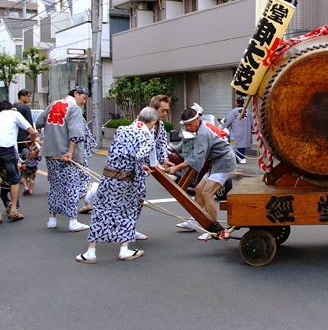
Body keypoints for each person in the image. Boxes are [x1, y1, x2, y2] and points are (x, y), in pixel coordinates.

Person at [75, 107, 158, 263]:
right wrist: (143, 172)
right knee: (127, 212)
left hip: (107, 177)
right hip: (126, 181)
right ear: (153, 122)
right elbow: (139, 157)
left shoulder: (121, 129)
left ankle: (90, 252)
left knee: (100, 211)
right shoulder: (146, 137)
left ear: (138, 117)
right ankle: (124, 249)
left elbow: (118, 152)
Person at [168, 107, 236, 240]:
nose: (189, 127)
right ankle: (195, 221)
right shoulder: (201, 128)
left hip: (224, 162)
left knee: (207, 193)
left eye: (190, 124)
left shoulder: (202, 133)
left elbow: (196, 159)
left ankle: (213, 228)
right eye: (186, 125)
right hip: (216, 162)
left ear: (197, 119)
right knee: (199, 189)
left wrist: (176, 168)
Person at [35, 86, 90, 232]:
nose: (84, 102)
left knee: (55, 186)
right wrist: (70, 152)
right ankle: (72, 221)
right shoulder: (74, 109)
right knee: (71, 186)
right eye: (83, 98)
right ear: (76, 94)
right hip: (66, 155)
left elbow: (39, 123)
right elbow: (76, 133)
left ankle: (52, 219)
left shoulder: (53, 104)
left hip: (51, 152)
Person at [0, 101, 38, 221]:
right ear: (11, 108)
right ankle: (14, 209)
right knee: (14, 179)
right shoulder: (14, 114)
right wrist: (33, 141)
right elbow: (32, 131)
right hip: (8, 150)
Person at [222, 95, 253, 164]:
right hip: (245, 133)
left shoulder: (234, 111)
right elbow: (252, 122)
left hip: (236, 133)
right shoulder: (248, 112)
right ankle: (240, 157)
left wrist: (223, 127)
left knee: (235, 145)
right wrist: (252, 129)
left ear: (237, 103)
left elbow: (228, 121)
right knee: (242, 145)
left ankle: (241, 158)